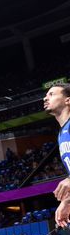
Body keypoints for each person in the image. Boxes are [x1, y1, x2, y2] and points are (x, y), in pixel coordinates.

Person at [44, 84, 70, 226]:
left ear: (67, 100)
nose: (45, 98)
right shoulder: (61, 134)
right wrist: (67, 201)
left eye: (51, 94)